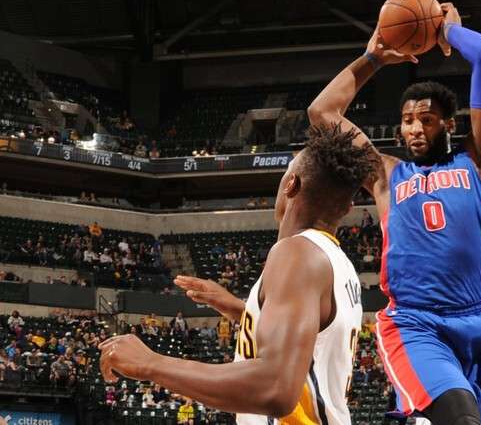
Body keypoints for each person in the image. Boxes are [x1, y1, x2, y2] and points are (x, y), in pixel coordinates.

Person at [307, 1, 481, 425]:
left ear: (448, 124)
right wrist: (372, 59)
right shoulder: (386, 175)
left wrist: (449, 33)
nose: (415, 128)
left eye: (427, 119)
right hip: (415, 322)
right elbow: (322, 114)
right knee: (460, 418)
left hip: (480, 320)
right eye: (407, 120)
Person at [98, 127, 372, 424]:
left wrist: (151, 363)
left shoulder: (298, 254)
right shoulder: (339, 264)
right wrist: (242, 311)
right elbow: (310, 345)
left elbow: (276, 387)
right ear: (347, 207)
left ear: (290, 184)